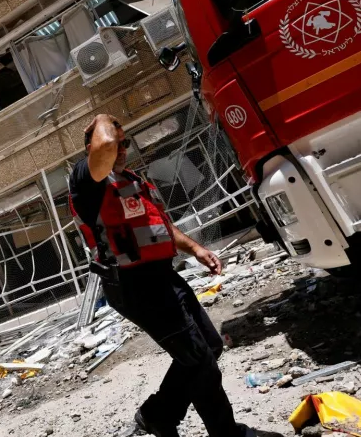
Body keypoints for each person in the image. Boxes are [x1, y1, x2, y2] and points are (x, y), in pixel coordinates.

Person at [69, 114, 257, 437]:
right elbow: (105, 145)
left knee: (208, 346)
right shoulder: (87, 184)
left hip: (162, 277)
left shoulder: (132, 181)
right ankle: (225, 433)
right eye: (117, 142)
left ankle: (158, 414)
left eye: (126, 143)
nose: (122, 148)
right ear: (93, 147)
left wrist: (195, 249)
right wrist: (102, 118)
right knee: (197, 356)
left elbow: (159, 227)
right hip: (134, 284)